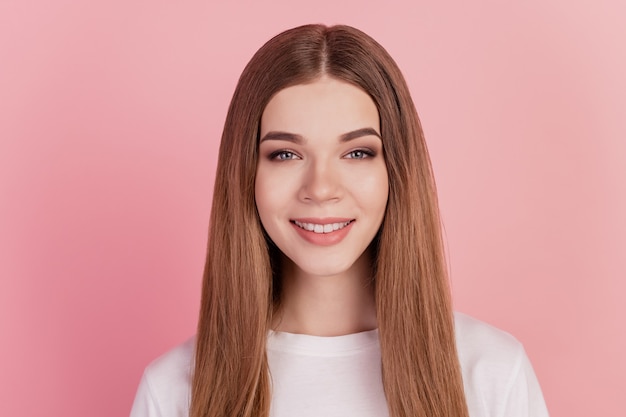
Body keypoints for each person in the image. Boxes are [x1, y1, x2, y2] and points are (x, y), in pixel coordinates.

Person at [129, 24, 549, 417]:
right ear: (247, 175)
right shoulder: (173, 392)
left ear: (395, 171)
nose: (321, 187)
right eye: (285, 154)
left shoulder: (492, 373)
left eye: (357, 152)